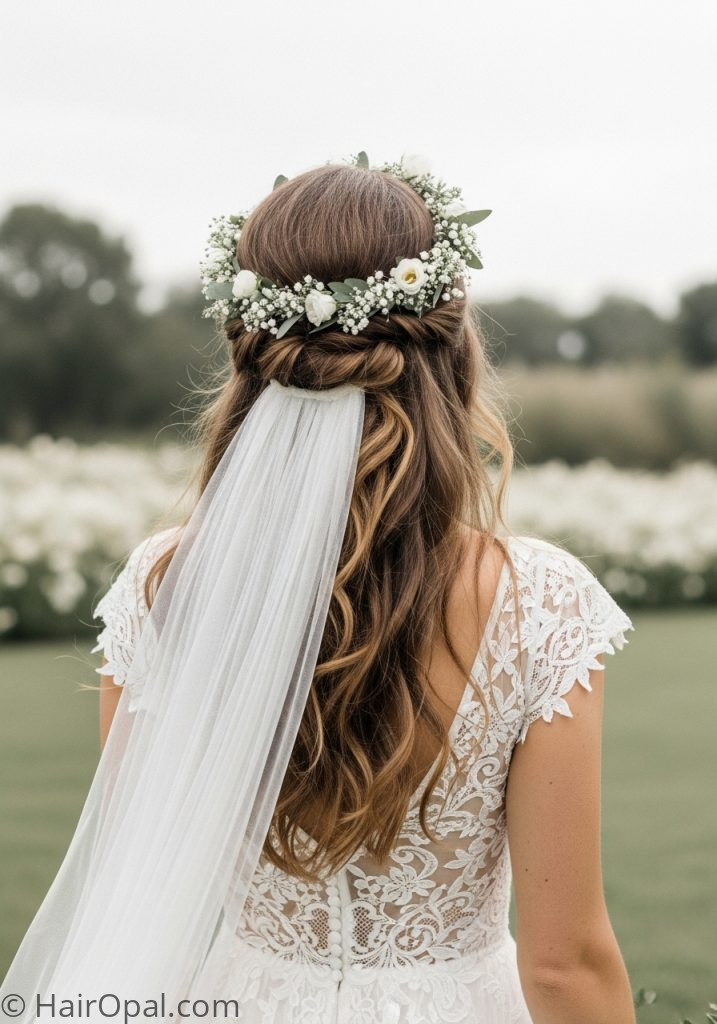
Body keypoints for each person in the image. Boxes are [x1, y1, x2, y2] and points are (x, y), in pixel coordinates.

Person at [2, 155, 637, 1023]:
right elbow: (564, 967)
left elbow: (139, 889)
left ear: (255, 357)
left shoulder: (165, 586)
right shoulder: (534, 601)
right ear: (451, 354)